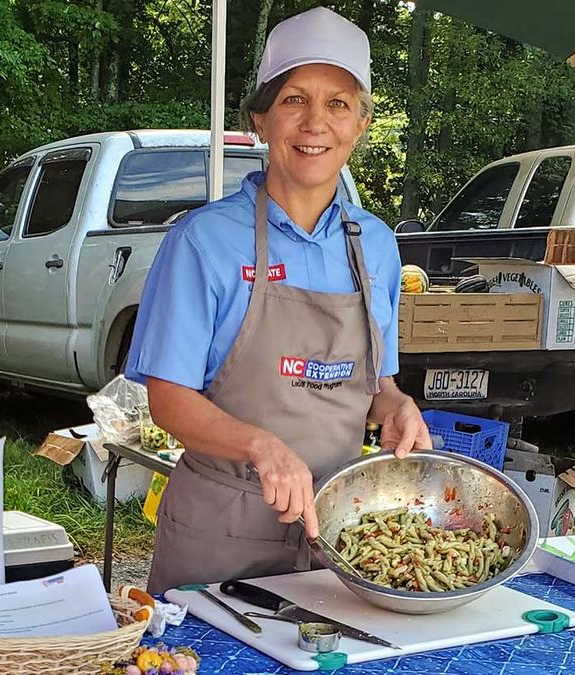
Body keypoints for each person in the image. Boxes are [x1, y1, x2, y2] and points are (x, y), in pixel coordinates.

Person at [124, 6, 432, 593]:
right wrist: (260, 445)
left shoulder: (379, 247)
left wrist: (394, 409)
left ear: (361, 125)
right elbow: (167, 398)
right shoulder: (203, 241)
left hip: (342, 535)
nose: (316, 122)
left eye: (338, 103)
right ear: (261, 121)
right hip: (222, 532)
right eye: (295, 99)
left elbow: (376, 385)